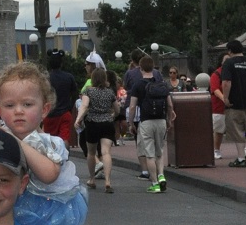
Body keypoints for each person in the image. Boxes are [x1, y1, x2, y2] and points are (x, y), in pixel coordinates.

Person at [0, 62, 88, 225]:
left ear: (44, 109)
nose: (18, 110)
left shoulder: (50, 143)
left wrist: (17, 142)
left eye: (27, 104)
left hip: (47, 215)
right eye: (10, 105)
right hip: (9, 214)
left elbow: (49, 174)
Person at [127, 56, 174, 193]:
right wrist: (169, 120)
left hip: (146, 121)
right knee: (159, 152)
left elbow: (132, 107)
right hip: (161, 121)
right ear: (153, 68)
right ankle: (161, 175)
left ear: (140, 68)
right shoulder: (162, 84)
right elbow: (170, 105)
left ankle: (155, 183)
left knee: (149, 154)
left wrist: (131, 123)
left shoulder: (138, 85)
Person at [75, 67, 118, 193]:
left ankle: (92, 179)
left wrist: (78, 119)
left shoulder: (88, 91)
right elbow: (117, 109)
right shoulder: (110, 92)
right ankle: (108, 181)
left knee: (91, 152)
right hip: (107, 123)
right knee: (106, 152)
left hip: (92, 123)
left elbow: (84, 106)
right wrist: (113, 115)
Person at [43, 50, 78, 148]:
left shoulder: (46, 78)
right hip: (65, 112)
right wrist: (70, 107)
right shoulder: (69, 77)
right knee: (64, 138)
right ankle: (65, 154)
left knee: (49, 139)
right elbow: (75, 94)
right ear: (61, 63)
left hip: (49, 113)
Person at [209, 62, 226, 160]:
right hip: (219, 107)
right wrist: (224, 99)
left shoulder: (235, 72)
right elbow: (215, 89)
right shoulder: (216, 74)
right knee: (218, 129)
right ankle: (216, 149)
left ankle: (242, 149)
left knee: (239, 127)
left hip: (234, 106)